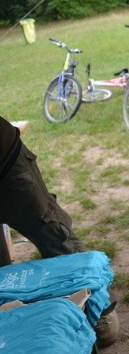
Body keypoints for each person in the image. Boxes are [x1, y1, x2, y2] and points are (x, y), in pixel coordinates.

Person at [0, 116, 119, 347]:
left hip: (4, 162)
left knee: (54, 234)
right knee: (3, 279)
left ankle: (99, 309)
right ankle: (19, 328)